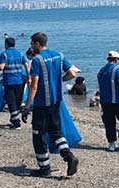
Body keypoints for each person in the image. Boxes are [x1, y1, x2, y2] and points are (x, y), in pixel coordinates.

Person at [22, 32, 80, 176]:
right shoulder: (59, 55)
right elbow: (72, 73)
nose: (30, 46)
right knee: (55, 132)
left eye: (31, 43)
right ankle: (69, 156)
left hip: (42, 103)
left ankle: (44, 168)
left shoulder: (37, 60)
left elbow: (34, 85)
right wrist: (60, 80)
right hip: (56, 102)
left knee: (38, 134)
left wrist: (27, 106)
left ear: (37, 43)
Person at [0, 37, 30, 129]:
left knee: (11, 102)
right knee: (17, 101)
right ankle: (14, 120)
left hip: (9, 81)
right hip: (20, 81)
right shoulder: (20, 54)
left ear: (6, 44)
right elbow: (26, 66)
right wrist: (29, 78)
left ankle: (16, 123)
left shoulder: (4, 54)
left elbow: (1, 67)